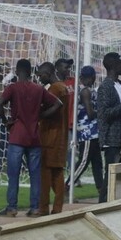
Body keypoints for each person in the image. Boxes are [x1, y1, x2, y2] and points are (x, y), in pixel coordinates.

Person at [0, 59, 62, 217]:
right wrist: (41, 115)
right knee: (35, 175)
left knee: (13, 174)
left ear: (17, 71)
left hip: (17, 135)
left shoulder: (13, 88)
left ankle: (12, 207)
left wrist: (5, 121)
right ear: (31, 72)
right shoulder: (38, 89)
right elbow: (58, 104)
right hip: (34, 137)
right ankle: (35, 208)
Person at [37, 62, 70, 215]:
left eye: (40, 75)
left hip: (50, 135)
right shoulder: (63, 87)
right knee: (58, 173)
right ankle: (57, 207)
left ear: (47, 73)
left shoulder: (54, 89)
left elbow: (50, 108)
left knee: (45, 173)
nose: (39, 78)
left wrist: (39, 115)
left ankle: (43, 208)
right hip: (61, 136)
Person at [96, 52, 121, 203]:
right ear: (114, 66)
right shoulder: (105, 87)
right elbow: (104, 114)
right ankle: (101, 207)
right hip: (111, 138)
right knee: (109, 177)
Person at [69, 66, 104, 198]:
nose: (90, 80)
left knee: (97, 163)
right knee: (83, 161)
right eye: (87, 78)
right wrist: (101, 114)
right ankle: (68, 185)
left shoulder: (91, 91)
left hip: (94, 132)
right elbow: (89, 113)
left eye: (91, 77)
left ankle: (101, 189)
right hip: (87, 131)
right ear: (83, 78)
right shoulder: (85, 92)